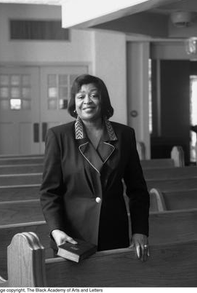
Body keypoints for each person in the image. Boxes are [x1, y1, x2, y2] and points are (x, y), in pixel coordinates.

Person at [40, 74, 150, 261]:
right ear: (74, 104)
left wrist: (140, 231)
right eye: (81, 96)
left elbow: (137, 190)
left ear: (103, 100)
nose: (87, 101)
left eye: (94, 95)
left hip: (114, 230)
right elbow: (49, 192)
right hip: (72, 236)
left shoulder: (124, 135)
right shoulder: (58, 136)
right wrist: (56, 230)